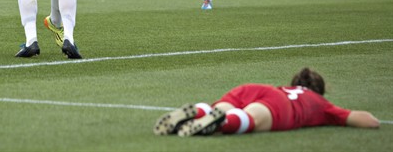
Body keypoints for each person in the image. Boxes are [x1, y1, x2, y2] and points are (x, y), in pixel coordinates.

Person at [154, 67, 380, 136]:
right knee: (249, 119)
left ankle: (200, 112)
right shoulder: (319, 103)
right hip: (279, 104)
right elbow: (369, 122)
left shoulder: (286, 88)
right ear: (318, 90)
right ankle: (220, 123)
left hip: (256, 88)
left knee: (220, 108)